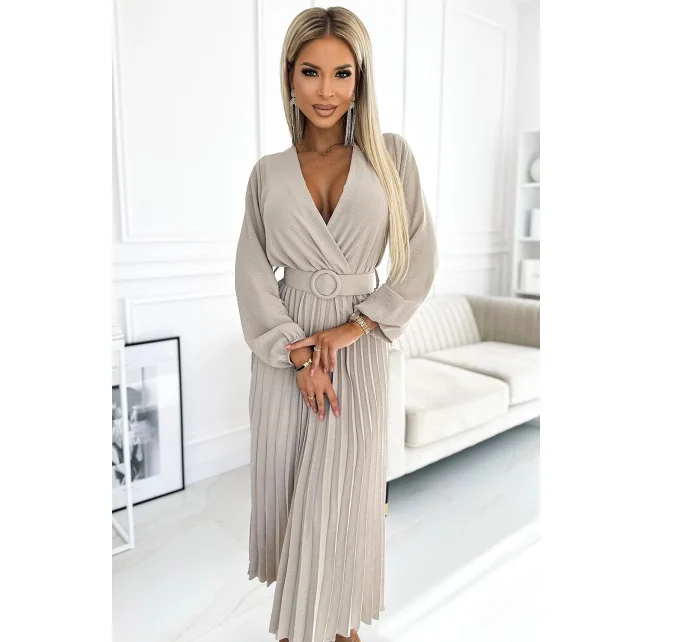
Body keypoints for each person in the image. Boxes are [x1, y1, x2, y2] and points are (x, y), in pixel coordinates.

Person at [234, 7, 438, 642]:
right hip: (285, 353)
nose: (326, 90)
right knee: (292, 491)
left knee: (346, 497)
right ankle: (299, 628)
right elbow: (251, 274)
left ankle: (340, 626)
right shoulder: (267, 172)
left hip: (359, 347)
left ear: (361, 78)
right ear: (289, 76)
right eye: (311, 71)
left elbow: (419, 259)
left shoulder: (391, 156)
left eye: (342, 73)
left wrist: (353, 330)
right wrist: (297, 355)